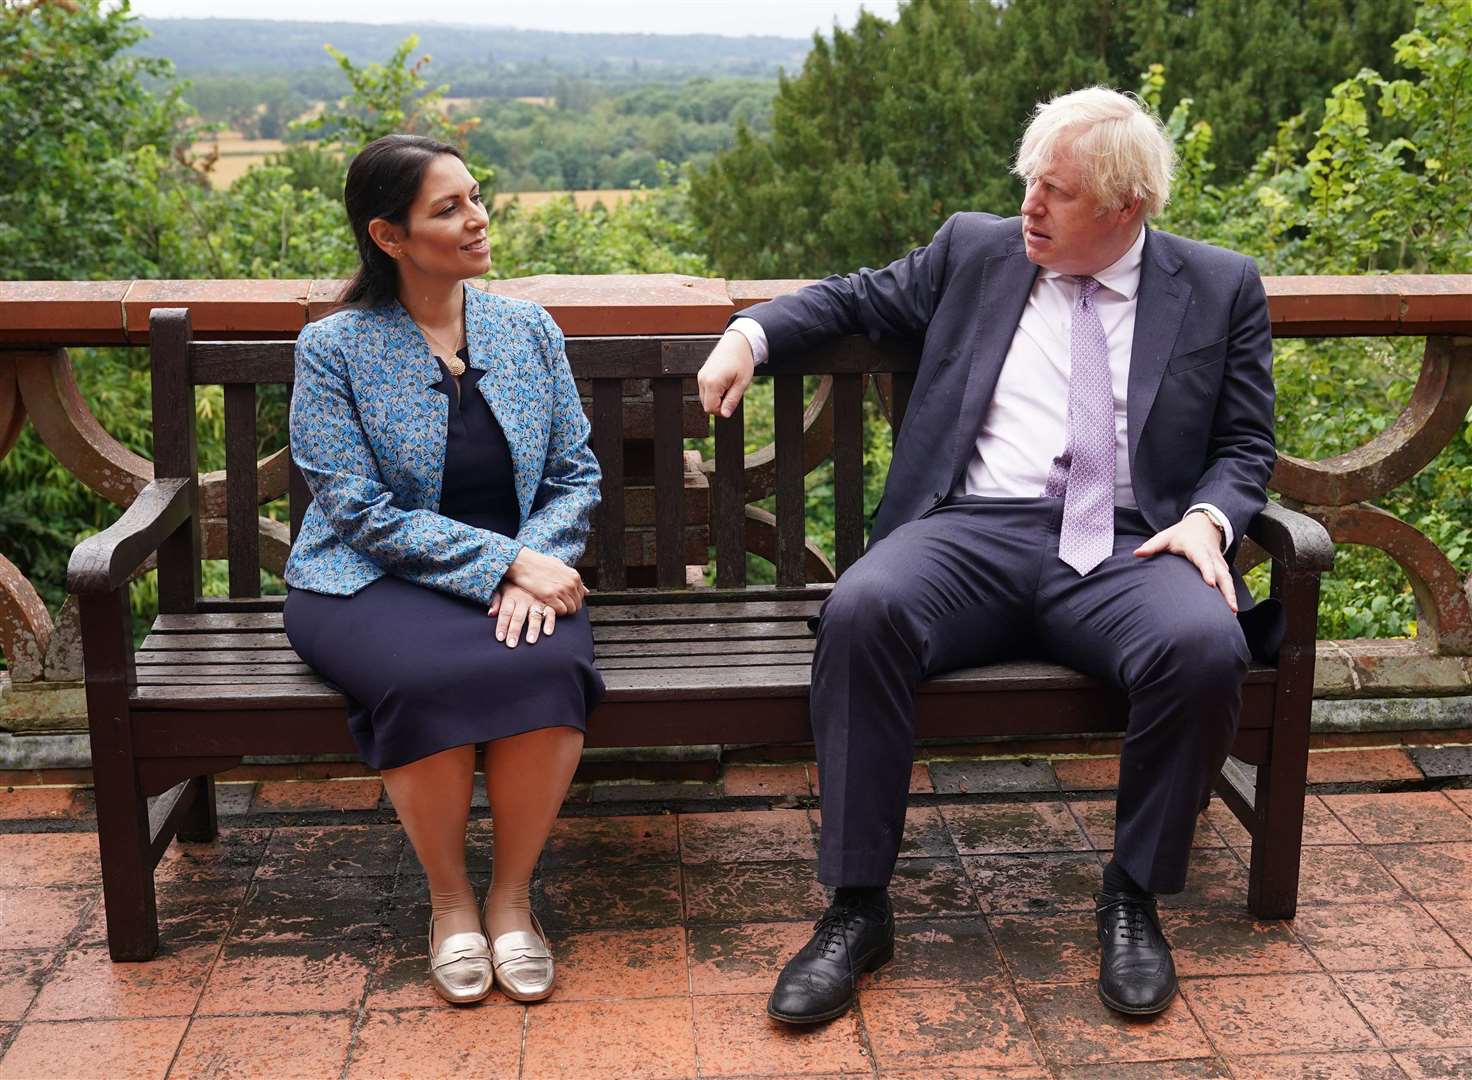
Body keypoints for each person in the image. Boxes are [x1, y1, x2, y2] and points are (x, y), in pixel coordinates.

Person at [697, 87, 1278, 1023]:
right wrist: (748, 334)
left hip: (1132, 544)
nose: (1030, 208)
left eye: (1056, 192)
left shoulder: (1217, 285)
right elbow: (854, 295)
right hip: (973, 530)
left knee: (1207, 645)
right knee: (863, 610)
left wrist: (1212, 518)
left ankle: (1132, 896)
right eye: (1028, 183)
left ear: (1127, 207)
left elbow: (1246, 443)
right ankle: (856, 908)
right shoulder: (977, 250)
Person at [282, 134, 604, 1005]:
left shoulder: (526, 329)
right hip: (364, 577)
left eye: (476, 196)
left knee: (550, 663)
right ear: (389, 236)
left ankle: (511, 899)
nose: (477, 217)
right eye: (449, 207)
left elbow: (576, 473)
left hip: (529, 568)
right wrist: (502, 564)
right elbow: (354, 509)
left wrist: (536, 561)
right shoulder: (335, 348)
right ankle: (450, 900)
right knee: (423, 676)